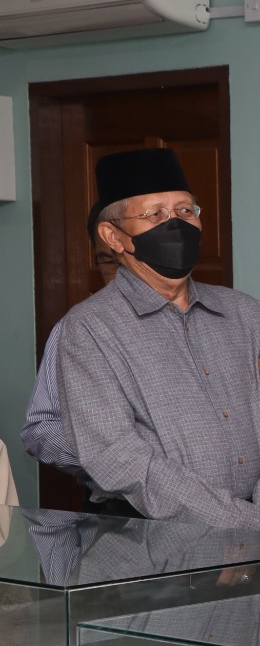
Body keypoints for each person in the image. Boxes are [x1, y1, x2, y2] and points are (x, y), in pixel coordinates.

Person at [57, 148, 260, 531]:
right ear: (113, 236)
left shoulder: (247, 316)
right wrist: (246, 519)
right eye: (155, 215)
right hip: (153, 542)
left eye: (185, 211)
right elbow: (118, 458)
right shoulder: (89, 329)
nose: (175, 224)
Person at [21, 208, 120, 495]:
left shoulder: (227, 317)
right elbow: (41, 428)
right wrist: (115, 461)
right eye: (108, 261)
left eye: (131, 259)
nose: (122, 275)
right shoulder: (76, 329)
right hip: (119, 510)